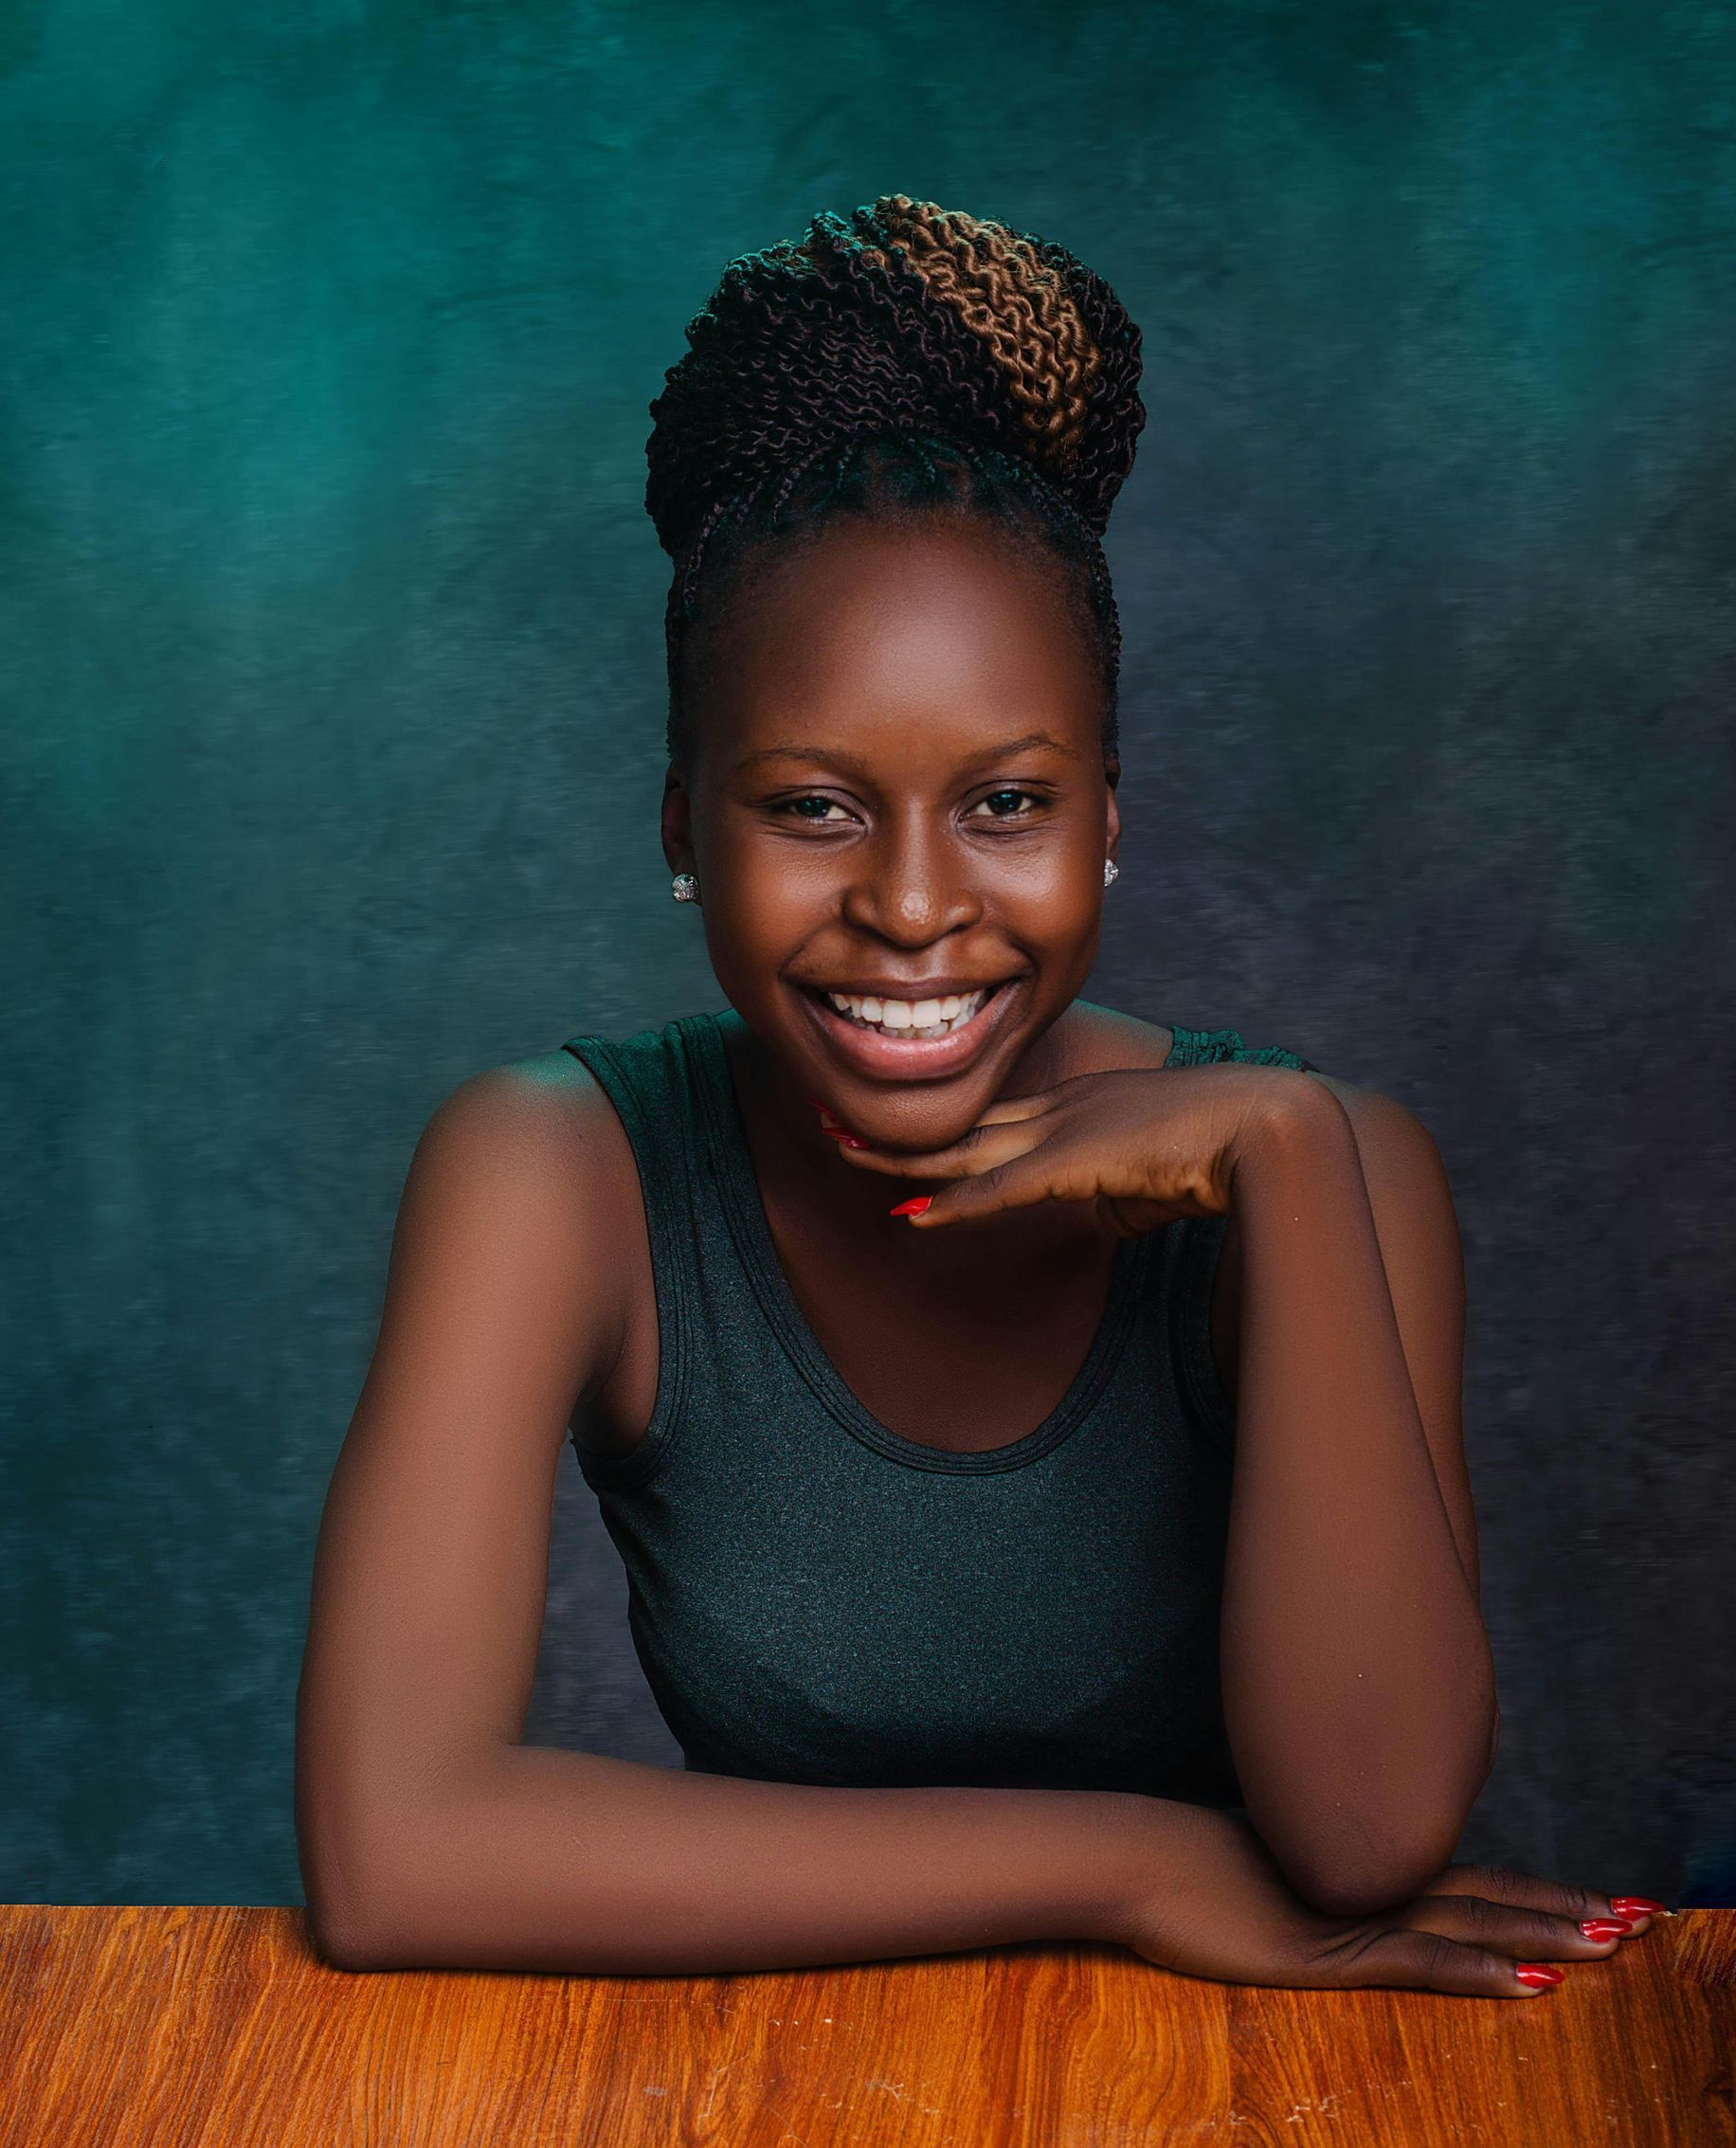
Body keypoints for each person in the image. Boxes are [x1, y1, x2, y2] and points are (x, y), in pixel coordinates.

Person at [295, 195, 1667, 1994]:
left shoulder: (1337, 1163)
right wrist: (1132, 1870)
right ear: (679, 826)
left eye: (1008, 805)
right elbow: (399, 1861)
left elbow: (1367, 1835)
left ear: (1112, 817)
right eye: (813, 806)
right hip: (769, 2095)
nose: (918, 906)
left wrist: (1290, 1168)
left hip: (1256, 2102)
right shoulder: (557, 1174)